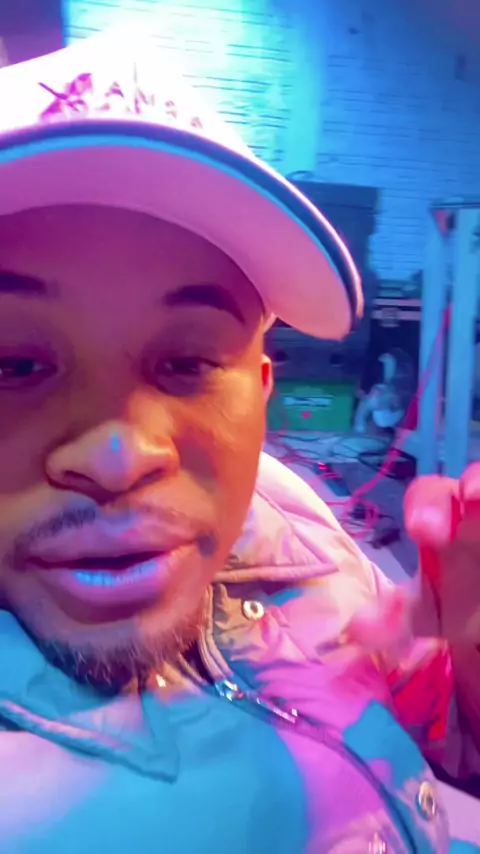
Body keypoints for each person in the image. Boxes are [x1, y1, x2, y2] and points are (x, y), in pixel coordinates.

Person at [0, 29, 479, 853]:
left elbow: (441, 733)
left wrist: (468, 642)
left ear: (260, 390)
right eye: (13, 365)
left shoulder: (285, 518)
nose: (120, 457)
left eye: (186, 363)